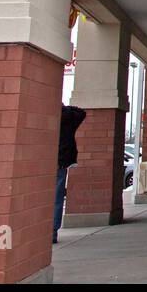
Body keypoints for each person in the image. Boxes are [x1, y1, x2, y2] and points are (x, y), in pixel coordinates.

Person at [55, 104, 87, 244]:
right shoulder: (70, 120)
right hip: (60, 162)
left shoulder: (50, 117)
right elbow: (81, 111)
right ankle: (52, 232)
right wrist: (66, 107)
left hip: (45, 163)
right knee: (57, 198)